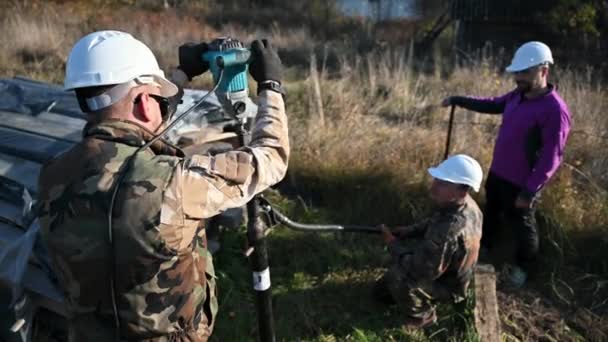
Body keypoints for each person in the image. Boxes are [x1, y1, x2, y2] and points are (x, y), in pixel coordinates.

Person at [37, 30, 289, 341]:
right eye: (158, 99)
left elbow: (135, 127)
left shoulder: (52, 175)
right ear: (145, 102)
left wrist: (181, 75)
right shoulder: (177, 182)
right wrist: (271, 87)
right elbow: (271, 157)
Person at [441, 41, 571, 287]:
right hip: (498, 174)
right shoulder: (517, 96)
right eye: (517, 73)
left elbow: (551, 158)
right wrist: (458, 99)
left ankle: (523, 269)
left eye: (525, 73)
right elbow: (492, 104)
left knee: (523, 227)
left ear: (544, 71)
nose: (518, 78)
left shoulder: (555, 111)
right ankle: (484, 251)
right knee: (490, 214)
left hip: (522, 183)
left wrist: (530, 191)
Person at [375, 155, 483, 328]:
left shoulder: (449, 231)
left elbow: (422, 270)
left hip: (449, 286)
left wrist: (392, 244)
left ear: (461, 191)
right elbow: (433, 221)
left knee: (399, 276)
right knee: (381, 293)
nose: (434, 187)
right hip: (450, 271)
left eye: (443, 184)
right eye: (436, 180)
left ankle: (423, 317)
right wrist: (409, 231)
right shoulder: (464, 205)